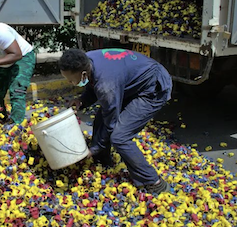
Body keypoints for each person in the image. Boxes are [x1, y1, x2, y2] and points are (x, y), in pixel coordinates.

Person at [58, 48, 172, 194]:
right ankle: (102, 161)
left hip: (152, 88)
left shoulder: (106, 85)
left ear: (84, 74)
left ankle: (154, 182)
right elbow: (93, 85)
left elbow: (111, 121)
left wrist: (94, 148)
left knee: (119, 136)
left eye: (70, 80)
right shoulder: (85, 61)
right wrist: (82, 101)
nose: (69, 82)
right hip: (132, 83)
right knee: (100, 119)